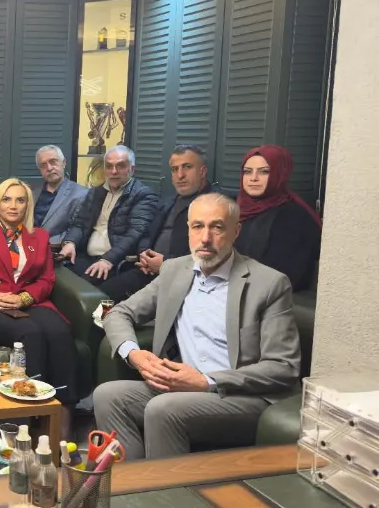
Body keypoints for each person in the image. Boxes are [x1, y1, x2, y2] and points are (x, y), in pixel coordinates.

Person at [94, 193, 301, 460]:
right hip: (181, 386)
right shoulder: (174, 270)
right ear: (188, 230)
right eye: (197, 226)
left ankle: (166, 487)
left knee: (163, 409)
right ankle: (130, 482)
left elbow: (283, 367)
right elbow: (119, 313)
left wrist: (206, 381)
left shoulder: (269, 284)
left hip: (240, 395)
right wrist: (134, 354)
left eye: (217, 227)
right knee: (107, 396)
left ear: (236, 232)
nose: (205, 238)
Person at [0, 178, 78, 434]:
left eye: (20, 200)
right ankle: (31, 410)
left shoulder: (39, 236)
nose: (13, 206)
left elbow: (46, 280)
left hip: (27, 302)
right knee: (30, 332)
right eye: (7, 199)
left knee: (60, 331)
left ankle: (62, 414)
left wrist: (25, 298)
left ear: (28, 205)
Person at [99, 145, 217, 302]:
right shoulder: (167, 203)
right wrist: (144, 254)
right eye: (174, 169)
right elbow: (147, 233)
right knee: (100, 296)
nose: (180, 175)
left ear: (202, 172)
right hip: (148, 272)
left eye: (187, 167)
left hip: (185, 280)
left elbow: (211, 256)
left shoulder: (216, 206)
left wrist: (166, 264)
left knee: (111, 303)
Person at [58, 146, 158, 285]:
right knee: (52, 274)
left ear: (132, 169)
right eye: (109, 166)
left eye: (120, 166)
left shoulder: (143, 195)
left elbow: (135, 234)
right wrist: (70, 242)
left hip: (115, 262)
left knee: (78, 286)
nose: (114, 171)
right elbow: (79, 223)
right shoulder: (95, 193)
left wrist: (108, 259)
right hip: (85, 256)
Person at [234, 145, 322, 292]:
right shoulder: (235, 209)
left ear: (280, 174)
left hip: (270, 296)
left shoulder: (295, 216)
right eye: (247, 171)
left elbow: (290, 275)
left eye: (264, 172)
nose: (253, 178)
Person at [33, 145, 88, 245]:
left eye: (53, 162)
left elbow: (77, 230)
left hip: (56, 249)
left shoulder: (81, 194)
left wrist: (41, 242)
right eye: (43, 165)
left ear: (64, 163)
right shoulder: (32, 193)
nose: (49, 168)